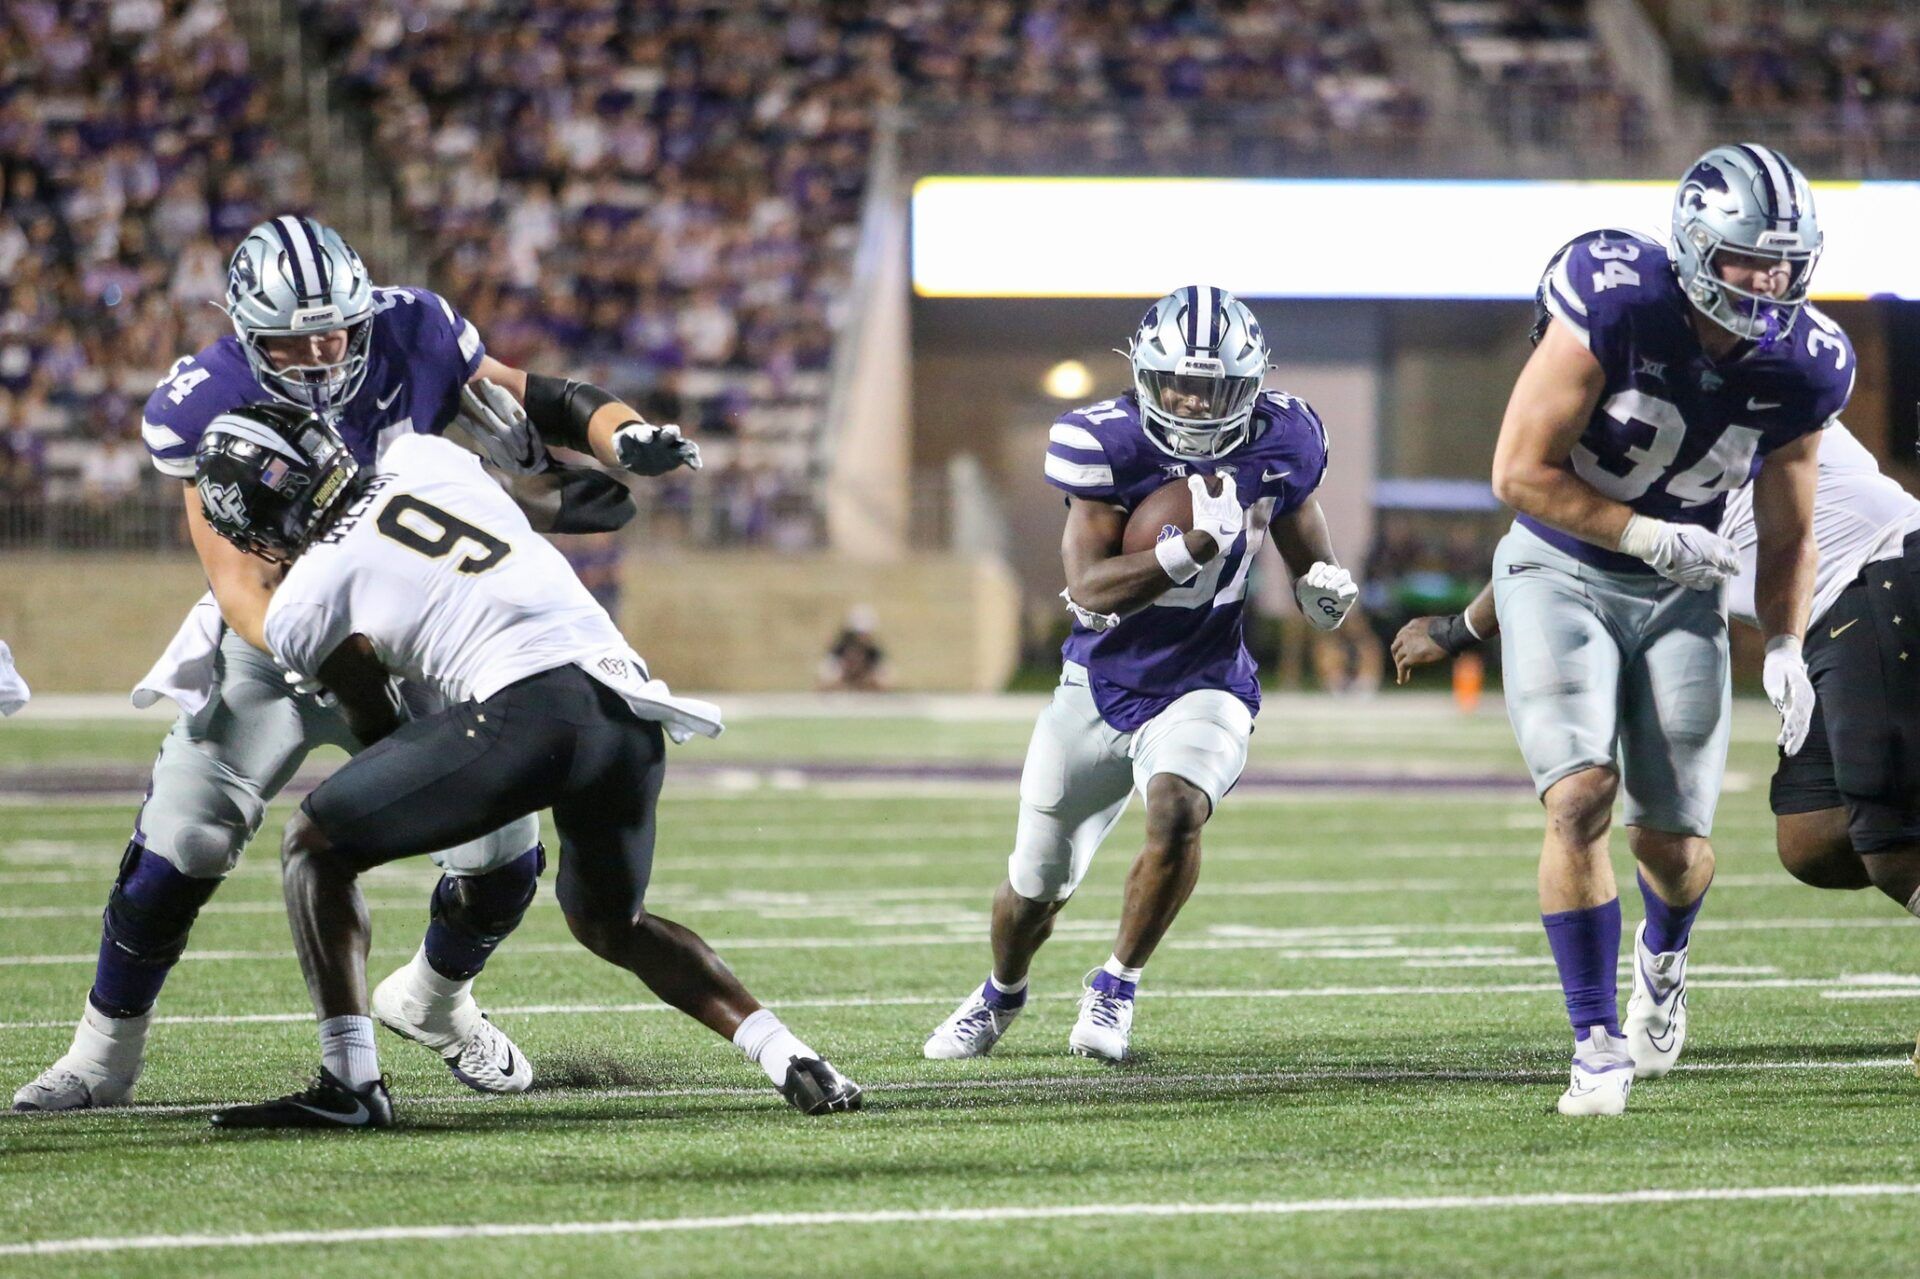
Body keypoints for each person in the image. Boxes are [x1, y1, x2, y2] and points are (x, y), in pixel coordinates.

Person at [14, 215, 701, 1113]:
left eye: (336, 325)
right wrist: (330, 654)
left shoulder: (410, 329)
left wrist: (622, 436)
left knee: (502, 853)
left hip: (418, 633)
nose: (324, 348)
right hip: (286, 638)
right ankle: (102, 1054)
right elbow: (241, 587)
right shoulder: (200, 399)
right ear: (246, 330)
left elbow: (541, 397)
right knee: (188, 833)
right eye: (296, 337)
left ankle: (436, 1002)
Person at [190, 405, 862, 1127]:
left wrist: (439, 793)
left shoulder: (302, 601)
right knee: (613, 921)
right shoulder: (423, 458)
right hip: (626, 705)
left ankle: (350, 1082)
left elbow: (379, 724)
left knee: (315, 845)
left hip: (528, 712)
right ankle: (791, 1055)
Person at [1480, 144, 1848, 1115]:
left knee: (1673, 849)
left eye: (1784, 267)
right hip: (1558, 565)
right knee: (1580, 795)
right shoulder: (1612, 297)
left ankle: (1666, 955)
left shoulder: (1807, 366)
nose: (1767, 287)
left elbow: (1792, 526)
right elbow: (1517, 472)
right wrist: (1640, 529)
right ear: (1691, 247)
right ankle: (1594, 1038)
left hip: (1680, 594)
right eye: (1746, 263)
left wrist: (1783, 642)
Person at [924, 285, 1357, 1063]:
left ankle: (1116, 984)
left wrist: (1318, 576)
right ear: (1143, 375)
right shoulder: (1106, 443)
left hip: (1208, 676)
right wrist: (1186, 548)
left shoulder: (1285, 434)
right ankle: (1001, 992)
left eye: (1213, 387)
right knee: (1033, 888)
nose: (1192, 403)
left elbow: (1295, 508)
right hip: (1095, 685)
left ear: (1251, 384)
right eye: (1177, 384)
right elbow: (1088, 590)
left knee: (1177, 807)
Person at [1397, 421, 1920, 1021]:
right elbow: (1554, 534)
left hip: (1878, 573)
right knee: (1814, 841)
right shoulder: (1633, 408)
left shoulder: (1742, 376)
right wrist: (1457, 631)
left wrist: (1457, 631)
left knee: (1889, 842)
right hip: (1820, 618)